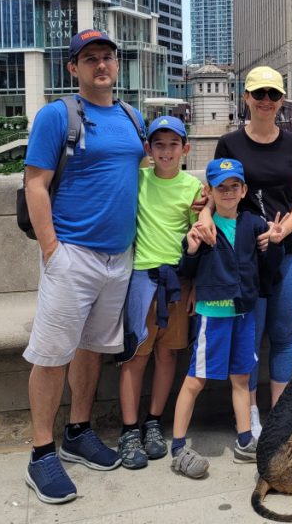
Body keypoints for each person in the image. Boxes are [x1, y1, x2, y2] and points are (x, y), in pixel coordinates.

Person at [22, 29, 146, 504]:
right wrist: (52, 250)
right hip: (72, 253)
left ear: (118, 65)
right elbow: (36, 184)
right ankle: (41, 454)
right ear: (73, 68)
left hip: (120, 257)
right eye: (90, 58)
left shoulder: (132, 118)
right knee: (52, 354)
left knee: (92, 349)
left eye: (108, 57)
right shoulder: (59, 115)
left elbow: (148, 176)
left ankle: (77, 432)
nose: (101, 65)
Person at [215, 66, 292, 437]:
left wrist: (282, 230)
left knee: (284, 333)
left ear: (282, 100)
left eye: (273, 95)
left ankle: (281, 413)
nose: (266, 102)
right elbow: (219, 193)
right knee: (250, 334)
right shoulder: (230, 144)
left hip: (288, 250)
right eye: (259, 95)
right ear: (246, 98)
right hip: (246, 255)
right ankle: (251, 412)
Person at [169, 158, 284, 478]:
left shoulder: (254, 224)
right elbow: (186, 270)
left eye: (235, 186)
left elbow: (269, 266)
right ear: (209, 191)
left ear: (244, 189)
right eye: (221, 187)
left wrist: (275, 243)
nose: (229, 192)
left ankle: (246, 440)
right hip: (213, 315)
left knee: (242, 379)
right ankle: (178, 446)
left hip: (244, 312)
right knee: (196, 379)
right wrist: (190, 249)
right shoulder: (204, 228)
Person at [115, 116, 201, 470]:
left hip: (178, 281)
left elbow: (199, 236)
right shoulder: (137, 178)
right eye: (159, 145)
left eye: (173, 145)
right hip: (142, 279)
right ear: (147, 149)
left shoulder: (194, 188)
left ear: (186, 149)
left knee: (168, 356)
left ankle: (153, 422)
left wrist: (195, 285)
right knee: (136, 357)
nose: (166, 152)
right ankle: (129, 429)